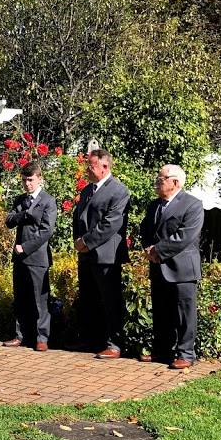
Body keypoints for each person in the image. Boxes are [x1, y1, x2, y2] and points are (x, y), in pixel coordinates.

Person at [140, 164, 204, 369]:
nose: (157, 182)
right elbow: (145, 229)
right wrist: (148, 249)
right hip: (158, 266)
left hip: (182, 268)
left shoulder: (192, 205)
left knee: (184, 313)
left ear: (174, 182)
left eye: (161, 179)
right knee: (161, 311)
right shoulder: (154, 205)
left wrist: (158, 251)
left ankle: (186, 354)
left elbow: (185, 236)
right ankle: (162, 351)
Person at [72, 149, 131, 359]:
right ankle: (92, 340)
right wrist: (78, 241)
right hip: (86, 254)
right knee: (89, 298)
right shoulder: (87, 190)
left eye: (91, 165)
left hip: (107, 255)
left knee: (110, 300)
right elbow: (77, 218)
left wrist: (86, 242)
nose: (87, 169)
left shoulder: (119, 191)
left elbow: (111, 223)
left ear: (105, 167)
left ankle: (113, 344)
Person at [3, 162, 57, 352]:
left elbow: (46, 231)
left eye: (31, 180)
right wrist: (25, 213)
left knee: (39, 301)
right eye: (24, 180)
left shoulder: (48, 201)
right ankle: (20, 336)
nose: (27, 184)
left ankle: (42, 338)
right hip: (19, 259)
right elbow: (9, 221)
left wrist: (25, 247)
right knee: (21, 299)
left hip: (37, 257)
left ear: (39, 179)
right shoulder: (20, 200)